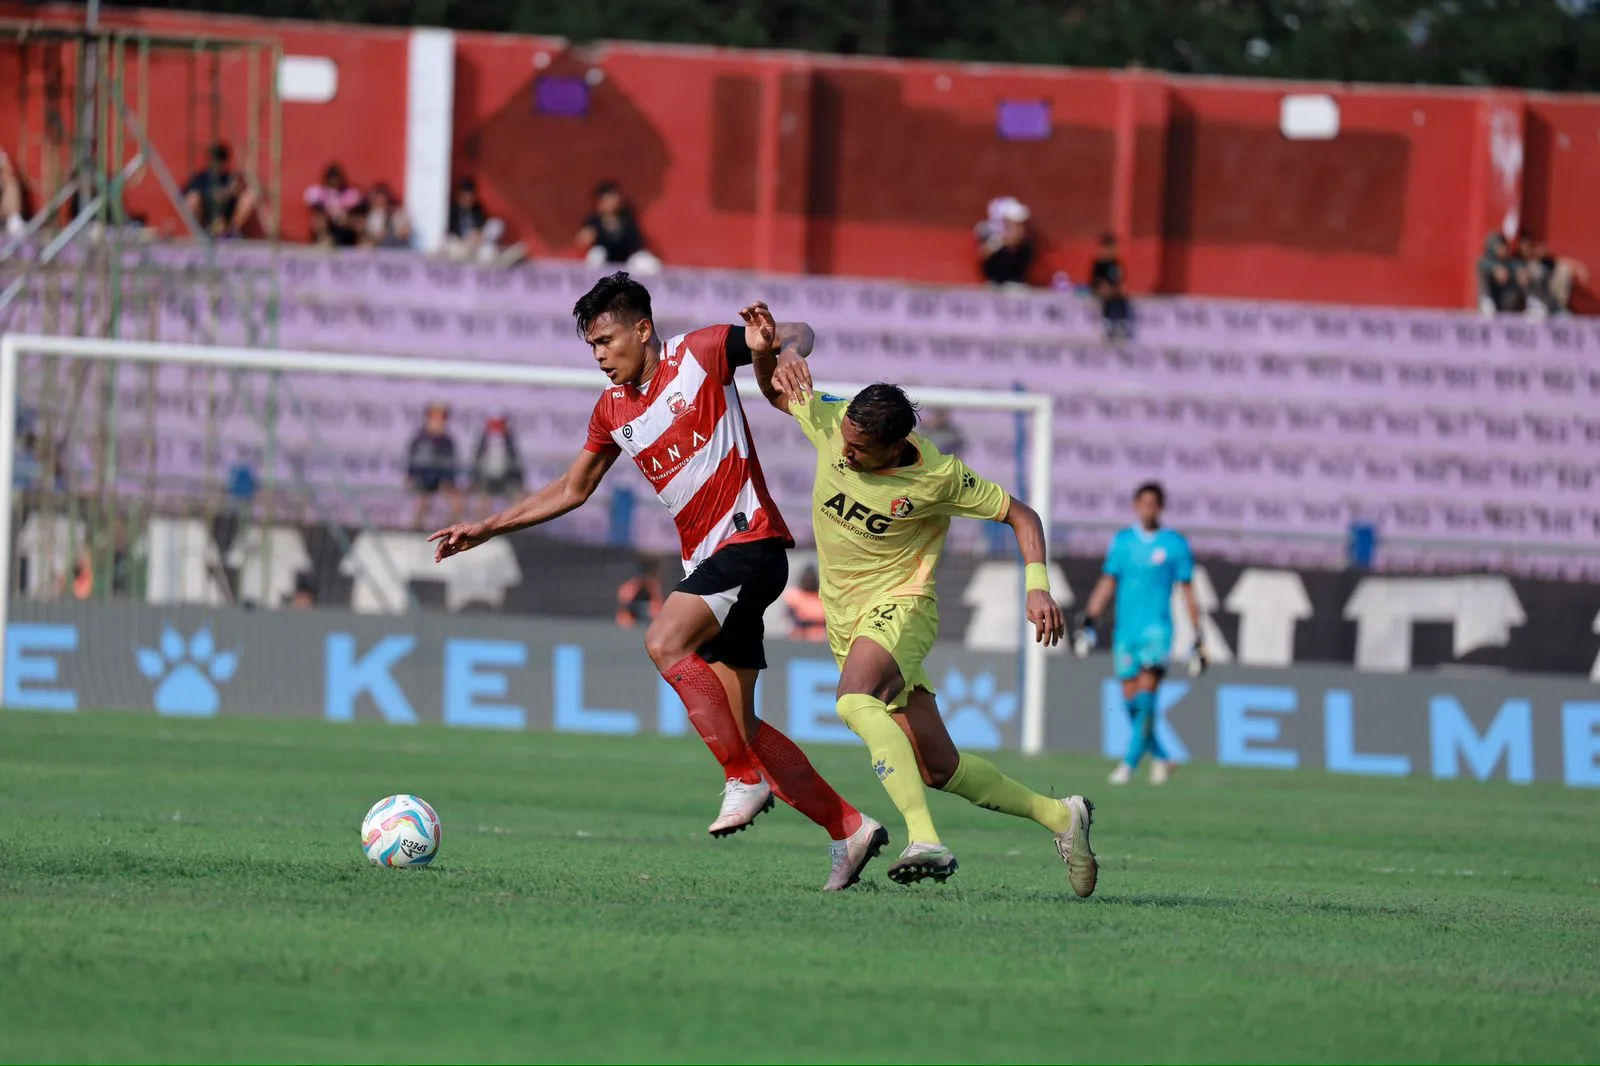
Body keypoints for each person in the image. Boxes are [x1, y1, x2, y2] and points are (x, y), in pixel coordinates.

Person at [429, 272, 887, 891]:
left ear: (643, 330)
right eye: (591, 346)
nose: (599, 356)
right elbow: (573, 488)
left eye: (607, 340)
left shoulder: (698, 353)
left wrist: (782, 350)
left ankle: (741, 779)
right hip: (711, 565)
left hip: (751, 541)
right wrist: (488, 526)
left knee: (664, 641)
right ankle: (849, 829)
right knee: (743, 725)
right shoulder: (612, 410)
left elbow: (791, 333)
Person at [755, 367, 1097, 895]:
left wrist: (1037, 586)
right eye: (846, 440)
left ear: (895, 448)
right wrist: (765, 351)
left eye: (861, 449)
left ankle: (925, 839)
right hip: (847, 620)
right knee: (940, 768)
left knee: (852, 700)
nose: (847, 453)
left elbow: (1023, 517)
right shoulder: (832, 418)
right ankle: (1061, 816)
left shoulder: (939, 477)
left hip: (902, 606)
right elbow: (776, 387)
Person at [1074, 482, 1205, 786]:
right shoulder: (1122, 542)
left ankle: (1128, 765)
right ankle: (1163, 757)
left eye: (1153, 503)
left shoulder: (1174, 544)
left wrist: (1198, 634)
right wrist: (1090, 619)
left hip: (1157, 631)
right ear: (1135, 506)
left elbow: (1188, 591)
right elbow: (1107, 583)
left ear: (1160, 507)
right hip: (1126, 632)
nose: (1148, 508)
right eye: (1143, 503)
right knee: (1131, 702)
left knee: (1146, 697)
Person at [1090, 233, 1133, 342]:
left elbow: (1120, 279)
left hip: (1114, 290)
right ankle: (1107, 322)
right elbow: (1096, 280)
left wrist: (1119, 288)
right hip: (1102, 290)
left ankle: (1123, 322)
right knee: (1106, 294)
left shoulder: (1117, 263)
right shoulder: (1098, 263)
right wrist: (1104, 287)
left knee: (1122, 295)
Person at [783, 566, 827, 642]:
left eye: (811, 580)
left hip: (822, 640)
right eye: (807, 579)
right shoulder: (794, 595)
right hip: (800, 639)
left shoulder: (823, 597)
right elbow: (792, 619)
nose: (809, 582)